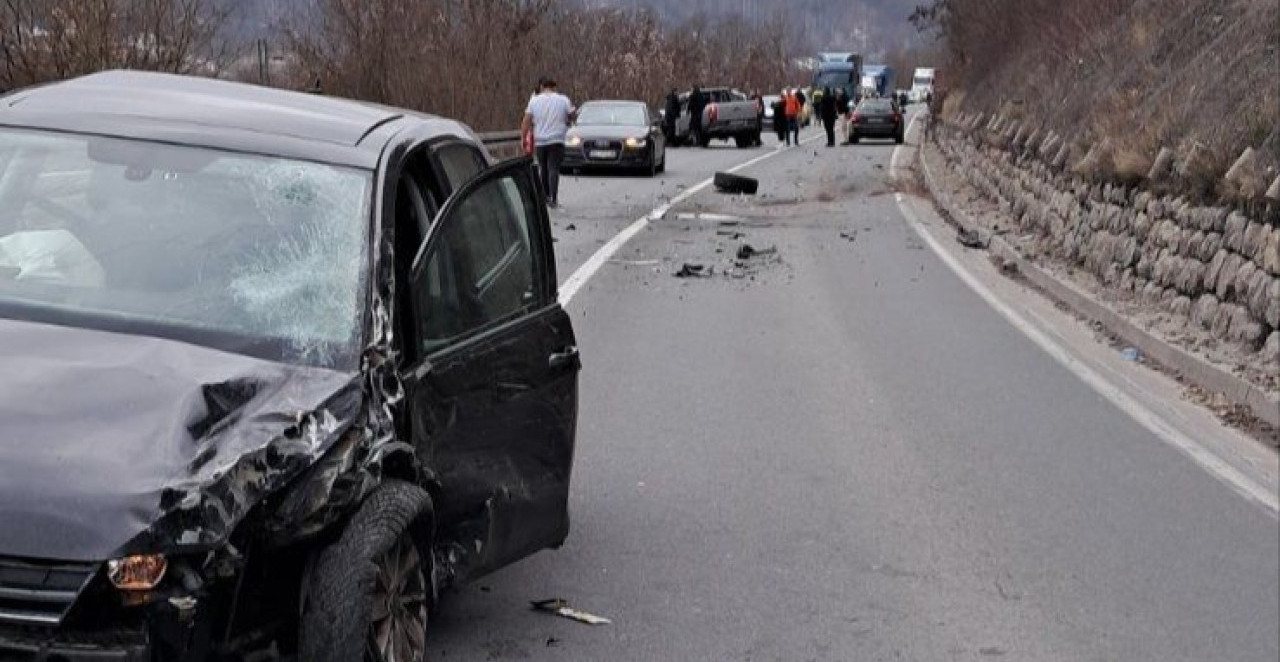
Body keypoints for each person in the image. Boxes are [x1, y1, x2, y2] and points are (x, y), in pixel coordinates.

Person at [522, 76, 576, 208]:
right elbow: (572, 115)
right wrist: (568, 120)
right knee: (553, 169)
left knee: (543, 168)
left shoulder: (534, 101)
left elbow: (526, 121)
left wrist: (523, 138)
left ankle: (545, 196)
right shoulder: (563, 99)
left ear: (542, 87)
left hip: (540, 141)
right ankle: (554, 198)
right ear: (554, 87)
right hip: (557, 139)